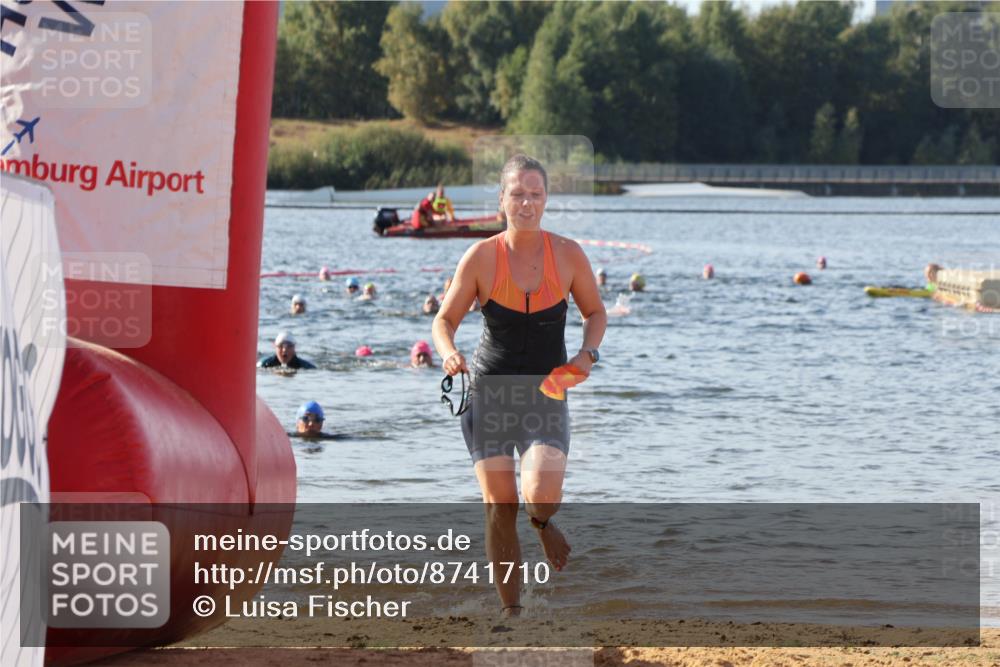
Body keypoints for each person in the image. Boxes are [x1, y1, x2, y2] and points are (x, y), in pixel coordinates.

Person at [431, 154, 607, 617]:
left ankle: (543, 522)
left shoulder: (567, 255)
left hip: (547, 391)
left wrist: (586, 355)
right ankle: (512, 615)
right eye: (517, 193)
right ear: (502, 200)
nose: (526, 202)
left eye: (535, 193)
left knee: (542, 492)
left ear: (546, 200)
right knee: (499, 506)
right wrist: (449, 352)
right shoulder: (481, 257)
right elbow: (444, 320)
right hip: (487, 393)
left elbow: (596, 313)